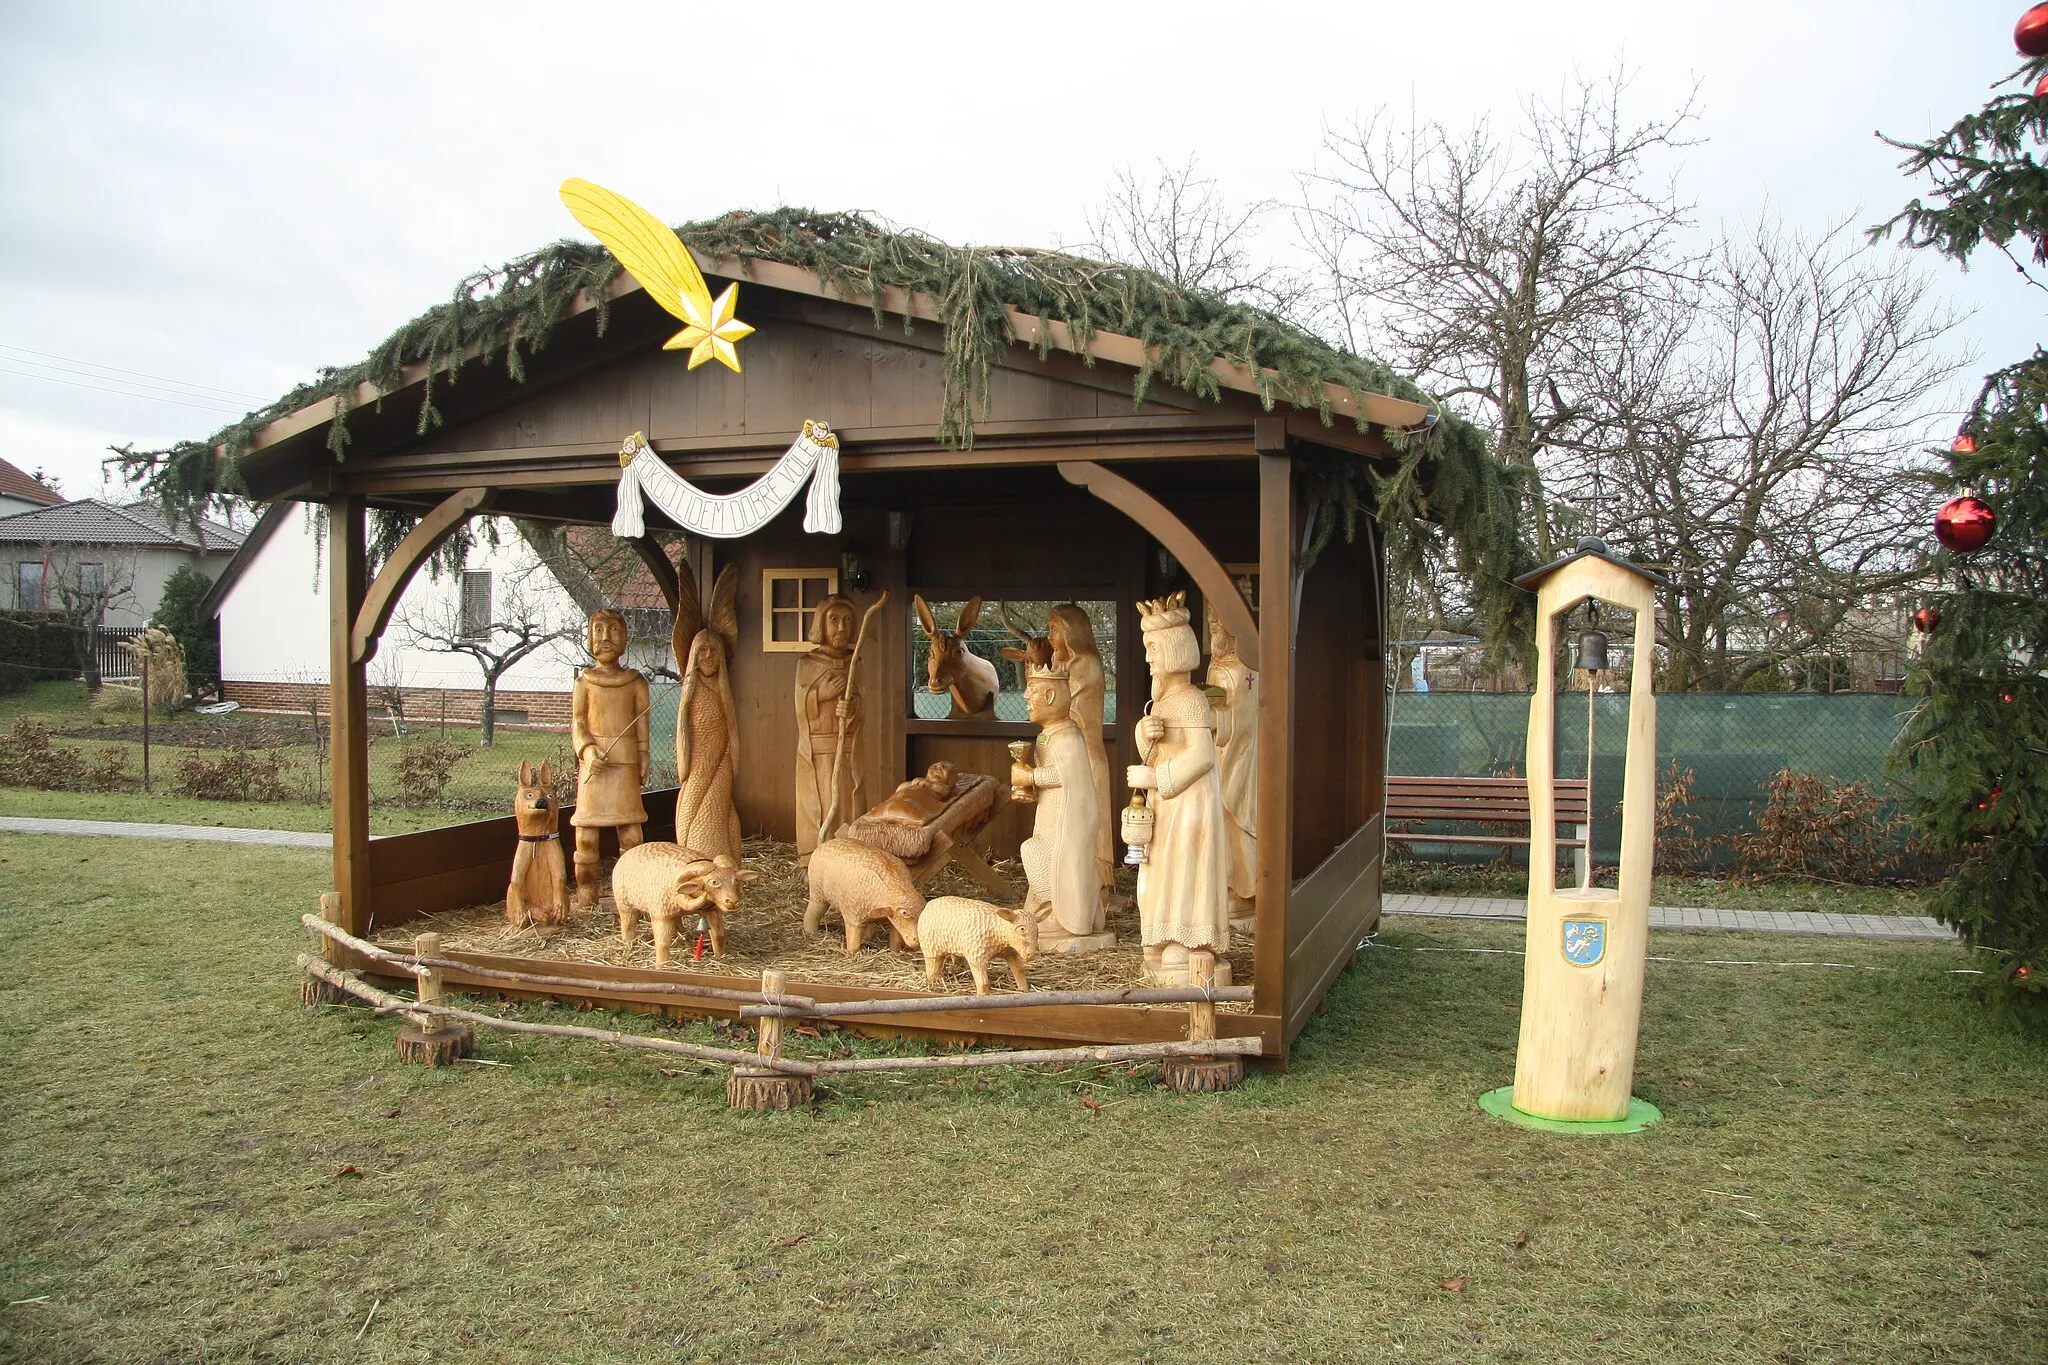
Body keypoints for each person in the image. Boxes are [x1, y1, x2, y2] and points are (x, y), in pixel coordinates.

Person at [1126, 590, 1229, 984]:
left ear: (1171, 650)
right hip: (1169, 805)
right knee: (1159, 872)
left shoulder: (1188, 700)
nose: (1149, 657)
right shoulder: (1165, 701)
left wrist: (1155, 779)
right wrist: (1142, 733)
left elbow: (1202, 755)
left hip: (1189, 805)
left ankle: (1189, 944)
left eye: (1153, 648)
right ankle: (1162, 936)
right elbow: (1159, 750)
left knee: (1185, 869)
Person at [1012, 666, 1106, 946]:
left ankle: (1065, 917)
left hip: (1068, 820)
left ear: (1051, 696)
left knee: (1057, 860)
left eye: (1033, 689)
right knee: (1040, 853)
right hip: (1053, 813)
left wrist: (1030, 776)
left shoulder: (1066, 737)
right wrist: (1031, 790)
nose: (1026, 695)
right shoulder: (1049, 734)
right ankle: (1046, 906)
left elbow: (1066, 776)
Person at [569, 609, 650, 911]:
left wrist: (643, 755)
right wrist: (587, 750)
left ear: (625, 637)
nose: (606, 638)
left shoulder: (635, 682)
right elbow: (577, 723)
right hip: (594, 768)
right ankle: (587, 893)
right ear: (589, 637)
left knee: (631, 833)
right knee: (587, 836)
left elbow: (642, 722)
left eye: (614, 630)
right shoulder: (584, 682)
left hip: (625, 765)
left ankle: (633, 892)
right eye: (599, 630)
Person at [1047, 603, 1115, 893]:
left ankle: (1098, 886)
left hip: (1087, 756)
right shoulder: (1059, 662)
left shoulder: (1084, 663)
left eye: (1054, 629)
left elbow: (1058, 703)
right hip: (1066, 755)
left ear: (1070, 632)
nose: (1049, 636)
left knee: (1091, 823)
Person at [794, 594, 863, 863]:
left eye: (847, 620)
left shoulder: (855, 662)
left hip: (846, 748)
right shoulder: (807, 663)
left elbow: (861, 703)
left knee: (846, 800)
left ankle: (847, 856)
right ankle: (814, 858)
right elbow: (800, 704)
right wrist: (819, 694)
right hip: (817, 750)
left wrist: (853, 708)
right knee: (818, 802)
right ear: (821, 624)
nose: (841, 627)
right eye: (833, 620)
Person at [1206, 606, 1258, 928]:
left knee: (1230, 817)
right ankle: (1237, 886)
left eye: (1217, 625)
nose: (1213, 632)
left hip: (1233, 755)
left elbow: (1232, 723)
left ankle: (1239, 891)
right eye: (1210, 624)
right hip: (1238, 753)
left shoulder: (1234, 669)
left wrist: (1203, 716)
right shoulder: (1236, 665)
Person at [675, 627, 741, 862]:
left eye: (714, 650)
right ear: (694, 655)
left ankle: (725, 866)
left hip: (722, 765)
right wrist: (686, 767)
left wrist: (732, 761)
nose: (708, 656)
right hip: (698, 767)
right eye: (702, 650)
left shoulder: (723, 692)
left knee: (721, 811)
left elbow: (731, 729)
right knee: (691, 811)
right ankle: (695, 863)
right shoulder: (692, 692)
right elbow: (683, 730)